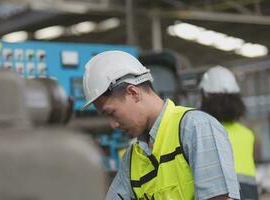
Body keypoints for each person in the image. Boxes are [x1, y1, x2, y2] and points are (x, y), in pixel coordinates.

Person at [82, 51, 240, 200]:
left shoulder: (195, 127)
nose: (113, 125)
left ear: (133, 93)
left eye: (111, 113)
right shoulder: (132, 159)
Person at [200, 66, 259, 200]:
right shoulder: (248, 134)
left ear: (206, 97)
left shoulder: (206, 132)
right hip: (250, 192)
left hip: (223, 192)